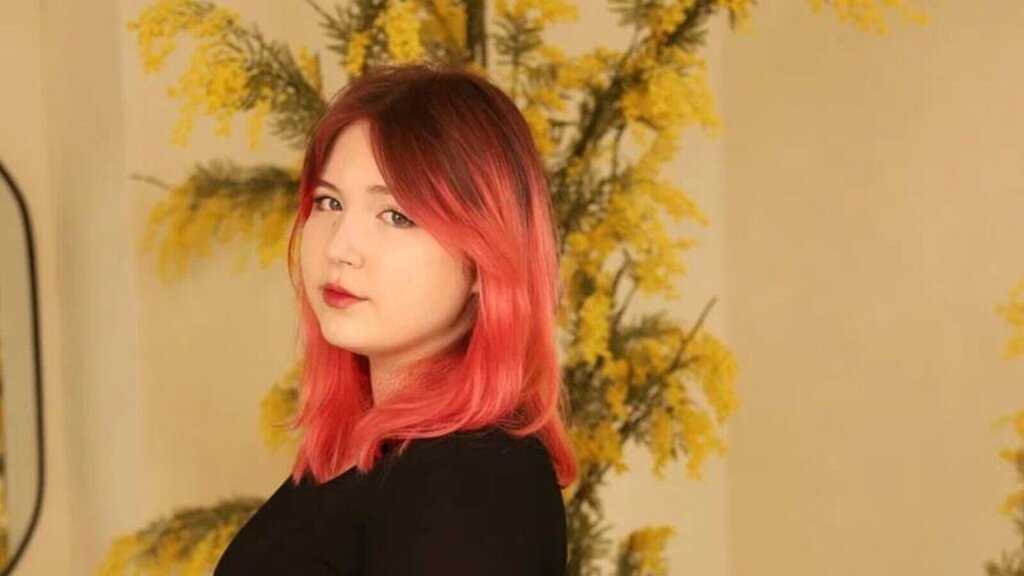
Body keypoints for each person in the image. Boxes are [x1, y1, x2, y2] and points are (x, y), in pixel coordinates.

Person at [214, 62, 579, 575]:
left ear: (485, 260)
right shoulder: (366, 456)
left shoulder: (469, 476)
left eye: (396, 216)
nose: (340, 248)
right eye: (328, 202)